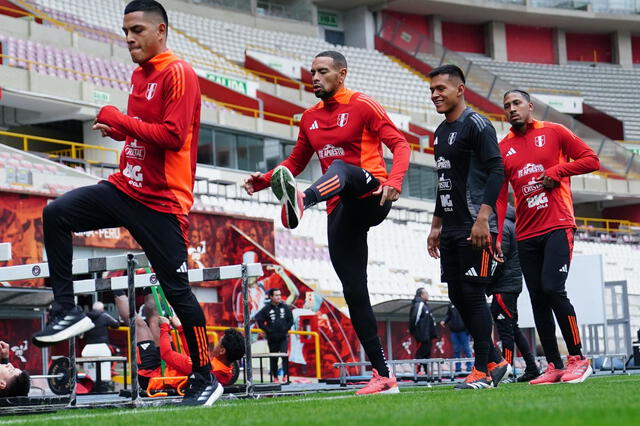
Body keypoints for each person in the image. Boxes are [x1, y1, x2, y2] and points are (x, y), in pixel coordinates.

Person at [31, 1, 219, 405]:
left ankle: (206, 376)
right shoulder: (139, 74)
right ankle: (66, 309)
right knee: (56, 213)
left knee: (178, 292)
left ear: (161, 31)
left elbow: (172, 135)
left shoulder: (178, 72)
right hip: (124, 187)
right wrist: (123, 135)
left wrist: (119, 120)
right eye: (126, 31)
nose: (129, 38)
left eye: (137, 30)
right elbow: (146, 135)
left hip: (161, 202)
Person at [243, 50, 410, 395]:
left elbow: (400, 144)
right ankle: (383, 376)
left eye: (322, 72)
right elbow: (295, 161)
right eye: (312, 72)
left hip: (372, 194)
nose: (314, 78)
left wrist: (394, 182)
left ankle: (301, 201)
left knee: (342, 170)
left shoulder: (363, 105)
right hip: (340, 209)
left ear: (342, 74)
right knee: (355, 292)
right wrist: (262, 181)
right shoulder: (309, 117)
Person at [496, 89, 600, 385]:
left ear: (529, 106)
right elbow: (502, 197)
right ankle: (553, 365)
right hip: (525, 233)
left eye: (516, 103)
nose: (512, 109)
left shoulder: (555, 132)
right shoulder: (503, 147)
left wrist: (559, 170)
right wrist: (497, 235)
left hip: (558, 224)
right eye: (506, 106)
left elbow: (591, 160)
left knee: (553, 289)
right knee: (538, 300)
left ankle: (578, 358)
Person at [426, 64, 510, 390]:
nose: (435, 95)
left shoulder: (477, 125)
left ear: (460, 89)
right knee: (458, 296)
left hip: (474, 226)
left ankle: (482, 372)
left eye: (440, 89)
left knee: (474, 296)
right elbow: (444, 181)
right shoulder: (439, 132)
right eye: (432, 90)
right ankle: (495, 360)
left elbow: (497, 172)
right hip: (450, 227)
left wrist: (483, 218)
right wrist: (435, 225)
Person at [488, 204, 540, 383]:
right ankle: (532, 367)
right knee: (513, 328)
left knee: (506, 331)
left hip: (504, 286)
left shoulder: (502, 228)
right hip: (511, 284)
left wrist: (487, 283)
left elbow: (500, 258)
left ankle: (506, 372)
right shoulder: (513, 225)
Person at [254, 288, 294, 383]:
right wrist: (267, 330)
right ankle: (275, 377)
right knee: (274, 358)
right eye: (276, 295)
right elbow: (258, 319)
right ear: (271, 297)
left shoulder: (285, 307)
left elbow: (291, 320)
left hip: (283, 337)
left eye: (279, 295)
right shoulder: (266, 308)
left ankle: (285, 375)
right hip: (272, 338)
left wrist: (285, 329)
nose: (279, 297)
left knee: (284, 355)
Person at [81, 301, 119, 391]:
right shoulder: (104, 316)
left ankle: (90, 385)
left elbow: (80, 333)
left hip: (88, 348)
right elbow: (116, 324)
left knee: (90, 368)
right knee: (116, 351)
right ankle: (111, 370)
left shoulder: (85, 317)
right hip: (103, 347)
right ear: (101, 309)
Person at [409, 288, 437, 374]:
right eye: (426, 293)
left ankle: (426, 370)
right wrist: (415, 331)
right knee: (420, 353)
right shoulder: (419, 304)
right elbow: (414, 318)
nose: (428, 295)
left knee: (426, 353)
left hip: (427, 335)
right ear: (421, 295)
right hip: (422, 335)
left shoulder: (425, 305)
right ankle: (417, 371)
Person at [440, 303, 472, 373]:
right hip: (454, 331)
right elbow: (448, 315)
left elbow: (469, 316)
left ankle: (469, 367)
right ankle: (458, 368)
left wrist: (469, 329)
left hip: (464, 331)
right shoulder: (451, 304)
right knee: (456, 350)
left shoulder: (465, 303)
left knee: (467, 350)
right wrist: (444, 321)